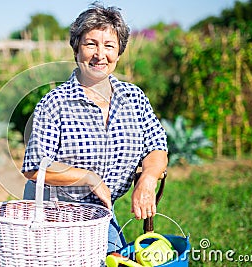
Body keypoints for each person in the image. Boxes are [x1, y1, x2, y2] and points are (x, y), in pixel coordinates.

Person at [21, 2, 168, 253]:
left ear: (119, 52)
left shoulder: (133, 97)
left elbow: (157, 147)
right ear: (76, 49)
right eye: (91, 44)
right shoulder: (54, 103)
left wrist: (148, 179)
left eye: (109, 45)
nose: (100, 54)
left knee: (114, 259)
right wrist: (89, 178)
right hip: (55, 211)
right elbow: (35, 168)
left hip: (101, 212)